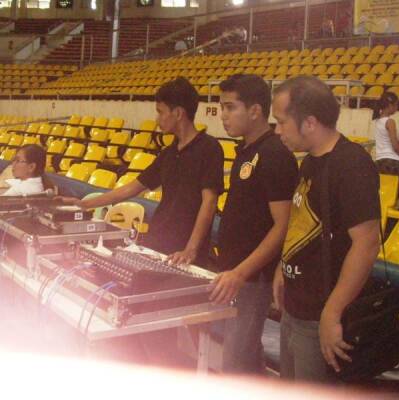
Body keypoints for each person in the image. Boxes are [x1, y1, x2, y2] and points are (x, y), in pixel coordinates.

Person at [272, 76, 380, 382]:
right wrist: (283, 265)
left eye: (281, 122)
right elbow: (303, 223)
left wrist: (332, 312)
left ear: (309, 122)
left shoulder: (351, 165)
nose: (277, 131)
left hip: (319, 315)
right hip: (296, 307)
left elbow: (367, 244)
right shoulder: (310, 161)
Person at [62, 77, 224, 267]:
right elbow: (131, 188)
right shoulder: (168, 153)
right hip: (157, 243)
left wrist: (191, 249)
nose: (157, 119)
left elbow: (209, 202)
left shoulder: (209, 148)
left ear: (178, 113)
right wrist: (84, 204)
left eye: (160, 112)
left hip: (184, 253)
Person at [211, 74, 298, 373]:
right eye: (222, 108)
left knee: (235, 360)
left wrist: (241, 272)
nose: (223, 115)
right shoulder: (247, 150)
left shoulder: (274, 155)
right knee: (244, 356)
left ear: (255, 110)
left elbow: (282, 225)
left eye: (230, 107)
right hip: (235, 272)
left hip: (252, 277)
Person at [374, 92, 399, 176]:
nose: (397, 108)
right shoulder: (390, 122)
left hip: (379, 161)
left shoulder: (377, 121)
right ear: (390, 105)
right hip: (392, 161)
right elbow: (395, 147)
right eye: (396, 105)